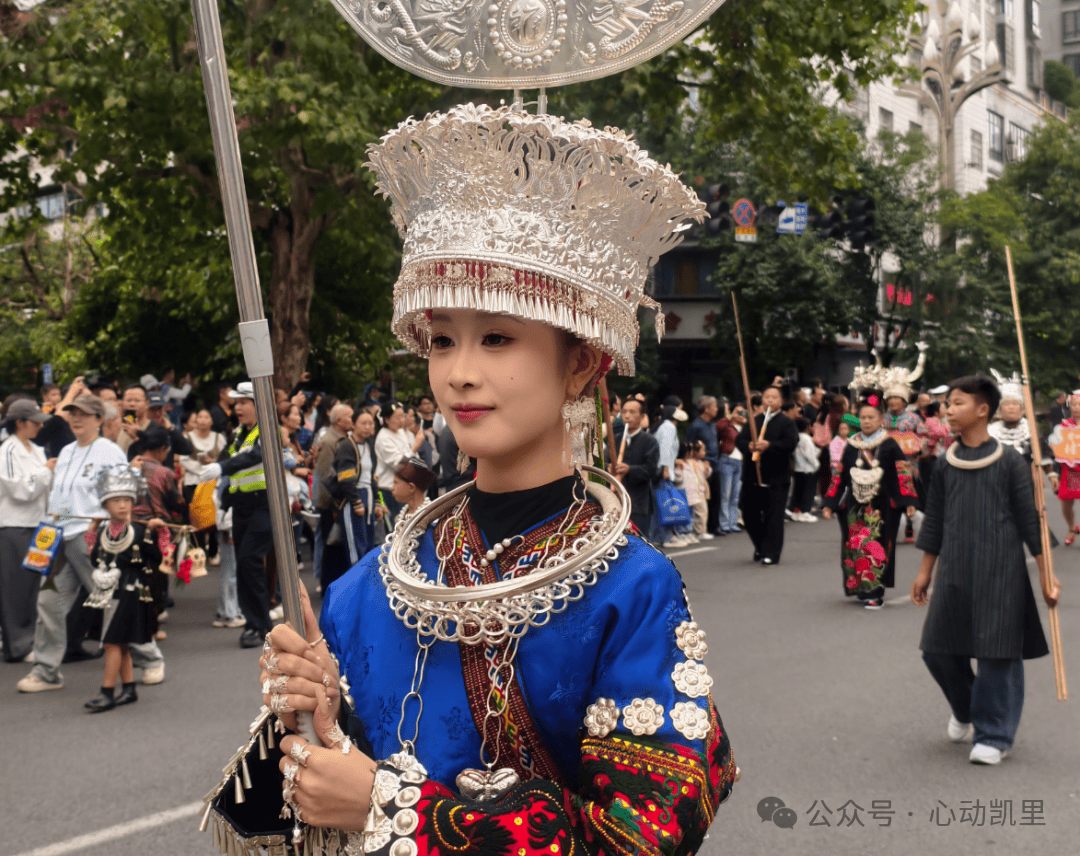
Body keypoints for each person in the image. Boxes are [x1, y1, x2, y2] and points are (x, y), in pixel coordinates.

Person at [227, 105, 735, 856]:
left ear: (581, 363)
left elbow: (646, 834)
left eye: (497, 337)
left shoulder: (632, 589)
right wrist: (320, 723)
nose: (459, 372)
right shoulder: (366, 589)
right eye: (442, 340)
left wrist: (392, 806)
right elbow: (300, 815)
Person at [912, 375, 1061, 765]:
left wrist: (1047, 574)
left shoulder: (1010, 461)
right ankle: (965, 709)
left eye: (957, 403)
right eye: (948, 404)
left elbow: (1031, 521)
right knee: (937, 650)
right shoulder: (946, 462)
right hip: (955, 570)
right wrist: (926, 570)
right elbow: (935, 520)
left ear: (982, 410)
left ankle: (994, 735)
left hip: (1002, 571)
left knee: (997, 653)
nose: (948, 410)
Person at [17, 395, 152, 692]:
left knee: (111, 602)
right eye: (72, 413)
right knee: (48, 603)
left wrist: (109, 526)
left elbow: (122, 495)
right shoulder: (65, 451)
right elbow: (63, 499)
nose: (77, 418)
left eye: (84, 413)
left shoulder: (109, 451)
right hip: (56, 536)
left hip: (90, 535)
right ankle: (46, 672)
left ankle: (150, 658)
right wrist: (54, 519)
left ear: (98, 418)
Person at [80, 465, 167, 712]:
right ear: (105, 505)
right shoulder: (105, 531)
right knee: (121, 644)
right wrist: (91, 530)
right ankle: (128, 689)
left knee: (112, 643)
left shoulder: (139, 530)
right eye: (115, 500)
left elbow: (157, 558)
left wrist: (158, 532)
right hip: (109, 592)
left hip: (130, 591)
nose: (122, 505)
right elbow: (94, 558)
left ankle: (107, 692)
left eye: (126, 500)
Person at [196, 382, 274, 649]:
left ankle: (259, 624)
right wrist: (223, 500)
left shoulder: (267, 430)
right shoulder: (240, 433)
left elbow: (253, 458)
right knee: (244, 567)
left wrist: (220, 467)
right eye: (236, 402)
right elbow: (233, 467)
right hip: (241, 508)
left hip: (263, 505)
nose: (237, 407)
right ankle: (258, 623)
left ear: (257, 404)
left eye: (243, 402)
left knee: (249, 560)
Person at [822, 397, 918, 608]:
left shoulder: (890, 444)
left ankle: (875, 591)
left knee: (877, 546)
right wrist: (830, 502)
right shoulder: (851, 445)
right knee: (855, 547)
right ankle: (861, 587)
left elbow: (902, 473)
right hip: (855, 505)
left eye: (871, 417)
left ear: (881, 419)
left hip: (882, 505)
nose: (866, 421)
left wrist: (908, 500)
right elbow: (839, 477)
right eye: (863, 417)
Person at [0, 399, 54, 662]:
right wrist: (46, 473)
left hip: (41, 526)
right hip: (15, 525)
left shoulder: (37, 449)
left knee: (36, 585)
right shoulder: (7, 450)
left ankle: (32, 641)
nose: (39, 427)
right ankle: (18, 646)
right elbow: (21, 490)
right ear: (19, 422)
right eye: (34, 422)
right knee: (17, 588)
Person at [736, 386, 798, 565]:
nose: (770, 400)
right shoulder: (753, 422)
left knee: (774, 517)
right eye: (767, 397)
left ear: (781, 401)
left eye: (774, 397)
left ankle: (772, 552)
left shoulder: (786, 423)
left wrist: (769, 445)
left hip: (776, 477)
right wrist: (749, 446)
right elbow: (740, 440)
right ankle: (761, 546)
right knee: (749, 514)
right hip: (752, 476)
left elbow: (790, 443)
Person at [327, 409, 383, 583]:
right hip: (352, 500)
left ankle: (367, 584)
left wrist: (377, 502)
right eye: (363, 423)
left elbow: (373, 477)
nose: (367, 427)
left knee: (367, 544)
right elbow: (346, 478)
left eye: (370, 423)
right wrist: (357, 502)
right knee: (354, 547)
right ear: (353, 425)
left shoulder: (369, 444)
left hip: (368, 495)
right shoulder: (346, 446)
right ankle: (355, 584)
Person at [178, 408, 226, 564]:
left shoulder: (219, 438)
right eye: (200, 416)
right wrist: (203, 470)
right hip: (194, 481)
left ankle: (214, 550)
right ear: (196, 420)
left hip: (213, 482)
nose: (203, 420)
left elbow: (225, 456)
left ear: (211, 421)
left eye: (207, 417)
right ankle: (198, 553)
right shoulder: (187, 437)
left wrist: (213, 465)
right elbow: (183, 459)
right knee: (195, 516)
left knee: (213, 515)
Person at [313, 402, 353, 583]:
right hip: (332, 503)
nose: (352, 421)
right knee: (331, 544)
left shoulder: (348, 439)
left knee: (340, 545)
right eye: (349, 417)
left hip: (345, 500)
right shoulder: (329, 441)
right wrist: (332, 506)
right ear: (338, 421)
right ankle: (327, 583)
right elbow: (326, 476)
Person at [614, 395, 659, 535]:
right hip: (616, 501)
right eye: (624, 412)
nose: (627, 416)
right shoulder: (614, 438)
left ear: (642, 416)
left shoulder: (650, 441)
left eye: (632, 412)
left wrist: (629, 469)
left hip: (639, 503)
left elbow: (651, 470)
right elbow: (604, 462)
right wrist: (609, 467)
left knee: (639, 542)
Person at [374, 402, 424, 524]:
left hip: (404, 488)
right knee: (393, 526)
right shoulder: (383, 438)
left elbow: (412, 456)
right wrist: (416, 446)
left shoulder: (401, 432)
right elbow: (399, 465)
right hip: (387, 490)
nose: (402, 420)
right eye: (398, 417)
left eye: (403, 415)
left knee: (406, 525)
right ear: (386, 419)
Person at [685, 395, 721, 537]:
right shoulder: (696, 425)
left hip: (715, 463)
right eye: (714, 406)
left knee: (715, 495)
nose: (717, 409)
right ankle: (700, 529)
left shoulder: (712, 424)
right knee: (702, 497)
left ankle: (714, 526)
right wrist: (699, 460)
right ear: (706, 409)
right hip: (701, 464)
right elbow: (690, 445)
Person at [1048, 392, 1080, 545]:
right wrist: (1054, 448)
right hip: (1071, 469)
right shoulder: (1063, 426)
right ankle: (1071, 527)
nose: (1077, 408)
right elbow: (1056, 448)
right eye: (1074, 405)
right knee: (1066, 501)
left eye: (1079, 405)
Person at [716, 402, 744, 534]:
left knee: (735, 495)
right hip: (727, 460)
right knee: (726, 494)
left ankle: (733, 522)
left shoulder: (746, 427)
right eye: (738, 412)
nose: (741, 415)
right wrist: (730, 417)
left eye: (742, 412)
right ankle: (724, 524)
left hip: (740, 462)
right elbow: (718, 427)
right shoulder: (728, 425)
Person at [791, 417, 820, 522]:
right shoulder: (807, 439)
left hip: (798, 468)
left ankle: (796, 512)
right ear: (807, 427)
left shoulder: (796, 437)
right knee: (808, 491)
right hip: (808, 469)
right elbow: (810, 454)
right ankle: (805, 512)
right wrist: (816, 465)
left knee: (798, 491)